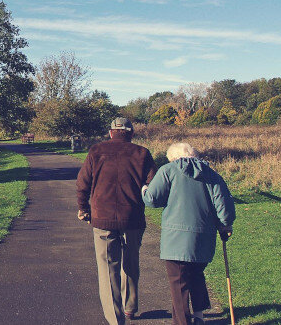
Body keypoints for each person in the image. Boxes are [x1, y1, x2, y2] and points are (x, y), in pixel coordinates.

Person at [142, 142, 235, 325]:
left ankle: (183, 322)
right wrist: (225, 226)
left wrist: (144, 189)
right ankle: (199, 317)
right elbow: (224, 208)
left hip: (175, 240)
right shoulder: (211, 174)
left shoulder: (168, 170)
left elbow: (152, 200)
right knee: (196, 275)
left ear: (173, 157)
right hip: (203, 238)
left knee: (179, 284)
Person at [76, 117, 157, 325]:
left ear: (111, 132)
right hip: (133, 218)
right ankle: (130, 307)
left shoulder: (96, 151)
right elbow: (153, 185)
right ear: (131, 133)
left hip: (102, 219)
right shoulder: (142, 153)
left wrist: (83, 209)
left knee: (107, 270)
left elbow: (82, 183)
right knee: (131, 263)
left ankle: (115, 319)